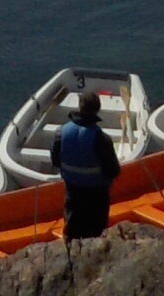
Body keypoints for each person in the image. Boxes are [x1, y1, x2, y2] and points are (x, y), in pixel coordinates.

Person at [50, 90, 120, 240]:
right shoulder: (102, 139)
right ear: (97, 109)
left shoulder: (60, 133)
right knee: (95, 234)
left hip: (73, 190)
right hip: (97, 193)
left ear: (79, 107)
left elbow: (55, 161)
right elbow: (113, 170)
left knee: (72, 233)